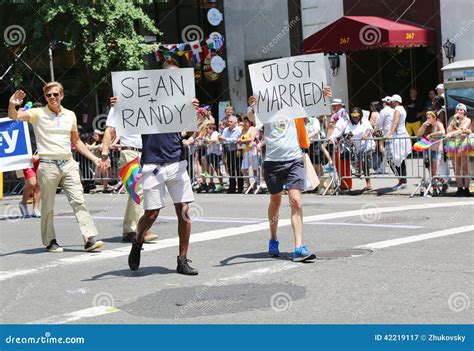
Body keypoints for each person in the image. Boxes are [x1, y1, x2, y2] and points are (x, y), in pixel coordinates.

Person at [109, 96, 200, 274]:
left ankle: (182, 260)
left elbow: (188, 133)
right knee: (151, 214)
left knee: (185, 211)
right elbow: (125, 122)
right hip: (152, 164)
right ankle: (138, 240)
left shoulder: (179, 106)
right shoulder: (144, 106)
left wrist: (192, 112)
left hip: (177, 162)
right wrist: (118, 107)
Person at [8, 84, 104, 253]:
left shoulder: (70, 115)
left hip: (68, 164)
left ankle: (89, 238)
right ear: (45, 97)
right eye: (48, 95)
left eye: (55, 94)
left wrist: (95, 158)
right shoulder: (37, 113)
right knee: (48, 206)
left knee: (79, 200)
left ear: (62, 95)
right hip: (47, 165)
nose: (52, 97)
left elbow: (77, 142)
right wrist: (12, 104)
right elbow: (15, 116)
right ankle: (50, 240)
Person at [248, 86, 332, 262]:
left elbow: (317, 106)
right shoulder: (266, 108)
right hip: (272, 162)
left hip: (294, 159)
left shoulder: (295, 107)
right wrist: (252, 106)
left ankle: (298, 247)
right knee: (275, 201)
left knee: (296, 201)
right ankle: (273, 238)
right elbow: (251, 118)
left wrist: (324, 96)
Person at [100, 107, 158, 243]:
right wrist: (104, 153)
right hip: (130, 152)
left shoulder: (151, 103)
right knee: (138, 191)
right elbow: (109, 130)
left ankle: (128, 230)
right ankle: (142, 230)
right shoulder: (119, 104)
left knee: (136, 193)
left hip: (148, 153)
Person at [19, 102, 42, 218]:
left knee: (38, 184)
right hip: (27, 157)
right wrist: (21, 110)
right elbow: (14, 119)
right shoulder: (25, 122)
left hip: (41, 155)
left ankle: (36, 209)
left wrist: (39, 155)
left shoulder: (45, 125)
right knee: (32, 182)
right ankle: (23, 202)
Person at [445, 103, 472, 197]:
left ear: (464, 112)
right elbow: (448, 131)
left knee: (465, 168)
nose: (459, 111)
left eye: (461, 110)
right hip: (453, 145)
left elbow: (462, 130)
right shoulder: (453, 120)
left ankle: (466, 188)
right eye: (458, 109)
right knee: (456, 168)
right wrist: (453, 121)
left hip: (464, 145)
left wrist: (453, 133)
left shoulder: (467, 120)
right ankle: (459, 188)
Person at [417, 111, 446, 195]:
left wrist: (432, 134)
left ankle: (441, 185)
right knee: (432, 173)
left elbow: (443, 132)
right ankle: (437, 188)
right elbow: (418, 134)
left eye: (429, 117)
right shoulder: (427, 126)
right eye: (427, 117)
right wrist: (423, 125)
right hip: (428, 151)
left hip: (437, 151)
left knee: (435, 173)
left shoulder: (438, 124)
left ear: (434, 118)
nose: (428, 119)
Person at [345, 107, 374, 191]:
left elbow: (369, 129)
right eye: (353, 115)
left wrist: (365, 135)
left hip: (368, 144)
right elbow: (347, 134)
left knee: (363, 157)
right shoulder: (350, 124)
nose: (355, 116)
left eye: (357, 114)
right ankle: (368, 183)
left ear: (360, 115)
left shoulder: (365, 121)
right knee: (364, 164)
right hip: (358, 147)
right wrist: (349, 138)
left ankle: (359, 168)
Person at [386, 94, 411, 189]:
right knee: (398, 159)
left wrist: (390, 134)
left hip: (399, 136)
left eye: (392, 101)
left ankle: (403, 181)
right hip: (400, 135)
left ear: (396, 101)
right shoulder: (401, 109)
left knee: (395, 158)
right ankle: (402, 181)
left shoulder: (398, 109)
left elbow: (395, 122)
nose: (390, 103)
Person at [327, 98, 351, 191]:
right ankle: (343, 184)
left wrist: (332, 137)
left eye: (335, 105)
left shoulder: (342, 114)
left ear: (340, 105)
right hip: (340, 141)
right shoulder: (339, 113)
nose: (334, 106)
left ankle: (345, 185)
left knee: (343, 163)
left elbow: (339, 128)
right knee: (340, 163)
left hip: (342, 142)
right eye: (333, 105)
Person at [219, 116, 243, 193]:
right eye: (228, 121)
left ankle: (240, 187)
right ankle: (232, 187)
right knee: (231, 169)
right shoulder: (226, 129)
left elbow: (235, 139)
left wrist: (226, 139)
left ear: (235, 123)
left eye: (231, 122)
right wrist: (224, 139)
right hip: (229, 150)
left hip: (237, 151)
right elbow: (222, 138)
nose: (229, 123)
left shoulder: (238, 129)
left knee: (238, 170)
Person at [239, 117, 258, 191]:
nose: (245, 123)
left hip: (252, 150)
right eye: (244, 122)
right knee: (243, 169)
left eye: (246, 122)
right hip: (245, 151)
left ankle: (255, 185)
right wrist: (241, 141)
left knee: (254, 169)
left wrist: (242, 140)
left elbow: (251, 139)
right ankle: (248, 185)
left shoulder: (252, 128)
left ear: (250, 123)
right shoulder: (243, 130)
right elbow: (240, 140)